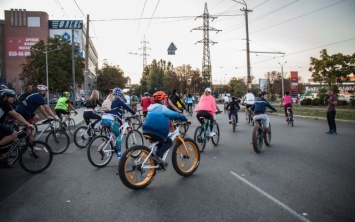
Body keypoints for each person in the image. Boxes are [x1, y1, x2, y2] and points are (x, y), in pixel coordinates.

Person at [142, 91, 188, 164]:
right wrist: (184, 118)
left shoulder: (151, 108)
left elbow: (156, 118)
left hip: (146, 130)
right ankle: (158, 156)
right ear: (162, 100)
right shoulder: (162, 107)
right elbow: (173, 114)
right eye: (164, 99)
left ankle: (158, 162)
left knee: (160, 142)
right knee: (169, 142)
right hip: (157, 131)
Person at [101, 87, 136, 157]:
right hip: (110, 121)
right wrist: (134, 113)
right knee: (118, 136)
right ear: (120, 94)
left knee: (115, 128)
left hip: (103, 119)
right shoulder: (118, 100)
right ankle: (119, 154)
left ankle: (113, 145)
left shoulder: (110, 99)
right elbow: (126, 107)